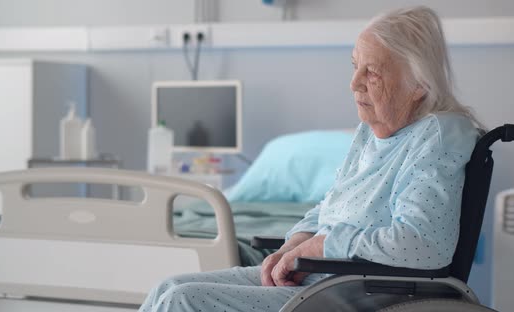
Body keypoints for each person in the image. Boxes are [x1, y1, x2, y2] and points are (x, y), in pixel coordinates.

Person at [139, 5, 480, 312]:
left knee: (182, 301)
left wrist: (319, 248)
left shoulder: (438, 135)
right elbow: (332, 206)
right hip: (320, 280)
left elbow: (422, 245)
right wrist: (296, 243)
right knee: (168, 287)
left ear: (418, 84)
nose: (353, 83)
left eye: (371, 72)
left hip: (360, 291)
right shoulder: (370, 132)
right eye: (354, 66)